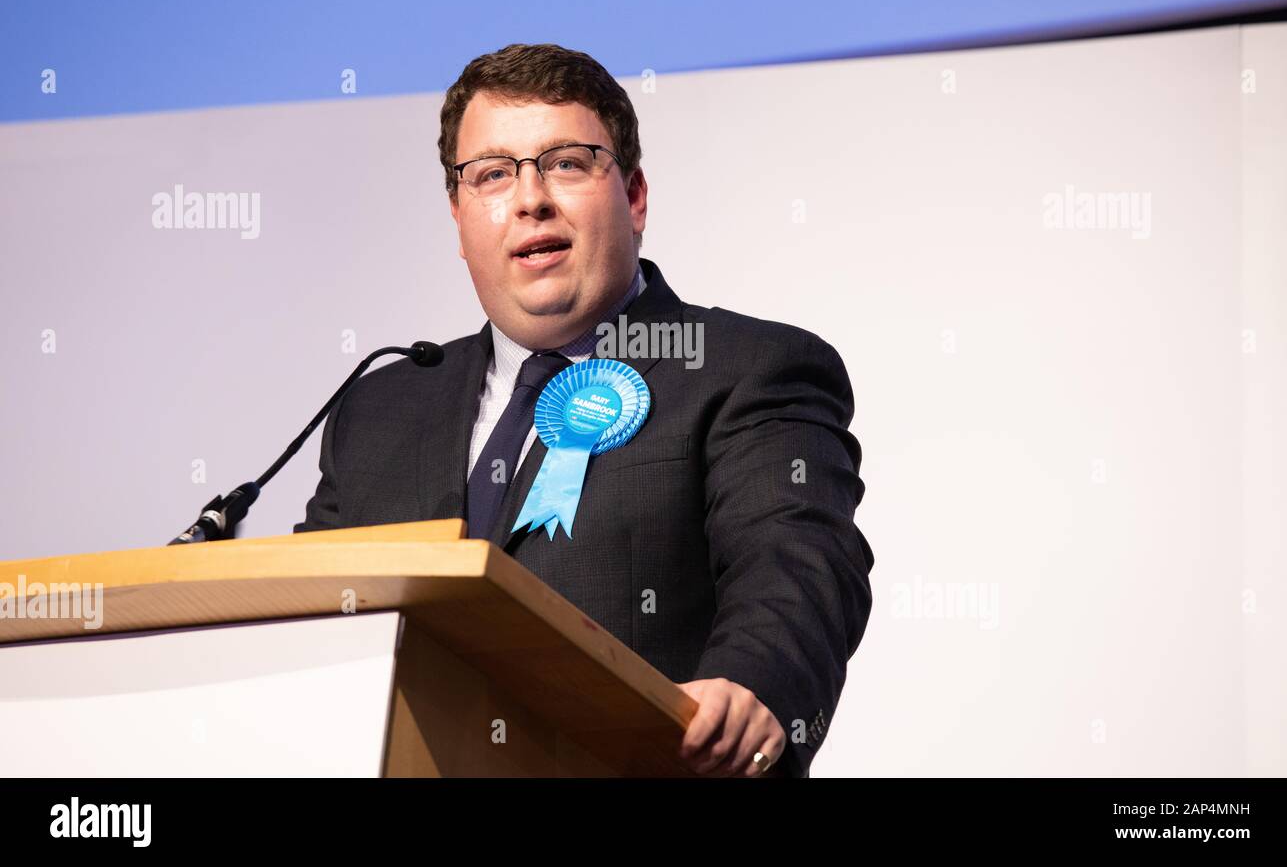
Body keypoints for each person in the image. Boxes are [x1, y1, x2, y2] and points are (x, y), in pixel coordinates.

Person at [294, 43, 873, 778]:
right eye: (493, 174)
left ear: (633, 197)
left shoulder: (743, 369)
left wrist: (753, 684)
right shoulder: (379, 406)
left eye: (566, 163)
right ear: (458, 212)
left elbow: (799, 560)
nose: (530, 198)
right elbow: (310, 615)